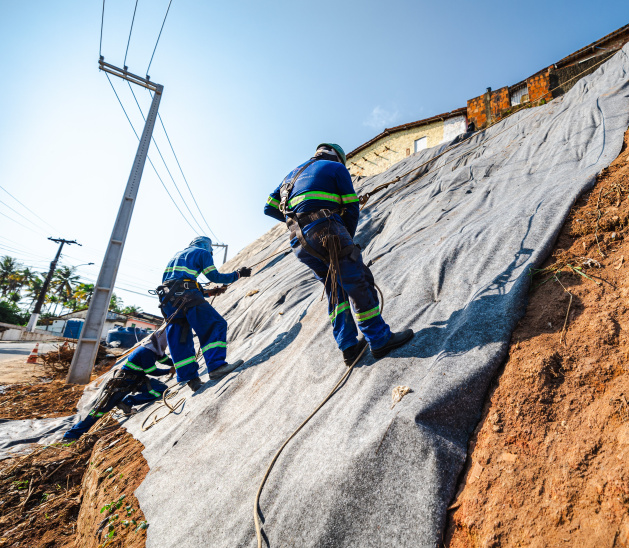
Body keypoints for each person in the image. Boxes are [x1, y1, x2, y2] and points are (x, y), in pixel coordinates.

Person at [264, 143, 413, 366]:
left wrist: (299, 219)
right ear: (338, 158)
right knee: (357, 280)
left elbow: (269, 207)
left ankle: (349, 347)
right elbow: (352, 208)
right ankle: (379, 339)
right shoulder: (336, 169)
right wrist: (346, 238)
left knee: (334, 289)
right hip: (328, 232)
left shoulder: (291, 176)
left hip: (299, 241)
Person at [157, 236, 250, 391]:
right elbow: (215, 276)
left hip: (167, 301)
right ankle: (216, 367)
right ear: (208, 246)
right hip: (187, 297)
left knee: (180, 338)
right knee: (215, 324)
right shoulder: (202, 252)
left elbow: (178, 282)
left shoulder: (176, 256)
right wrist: (238, 274)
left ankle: (191, 380)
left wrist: (209, 292)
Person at [63, 330, 173, 440]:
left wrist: (177, 364)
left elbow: (164, 359)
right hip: (123, 382)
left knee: (160, 388)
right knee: (100, 410)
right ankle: (71, 435)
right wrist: (169, 371)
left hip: (137, 379)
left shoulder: (154, 350)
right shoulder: (146, 351)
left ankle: (126, 402)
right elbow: (151, 370)